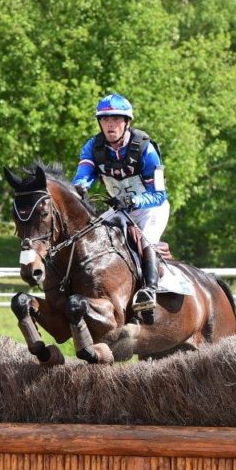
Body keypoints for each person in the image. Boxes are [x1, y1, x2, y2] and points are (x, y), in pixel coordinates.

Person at [72, 93, 169, 323]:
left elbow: (159, 194)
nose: (110, 124)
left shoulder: (146, 149)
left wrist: (133, 201)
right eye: (105, 120)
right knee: (90, 234)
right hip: (120, 209)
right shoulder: (93, 147)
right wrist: (80, 188)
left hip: (149, 209)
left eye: (116, 119)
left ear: (127, 122)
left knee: (146, 241)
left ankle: (149, 291)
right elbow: (82, 177)